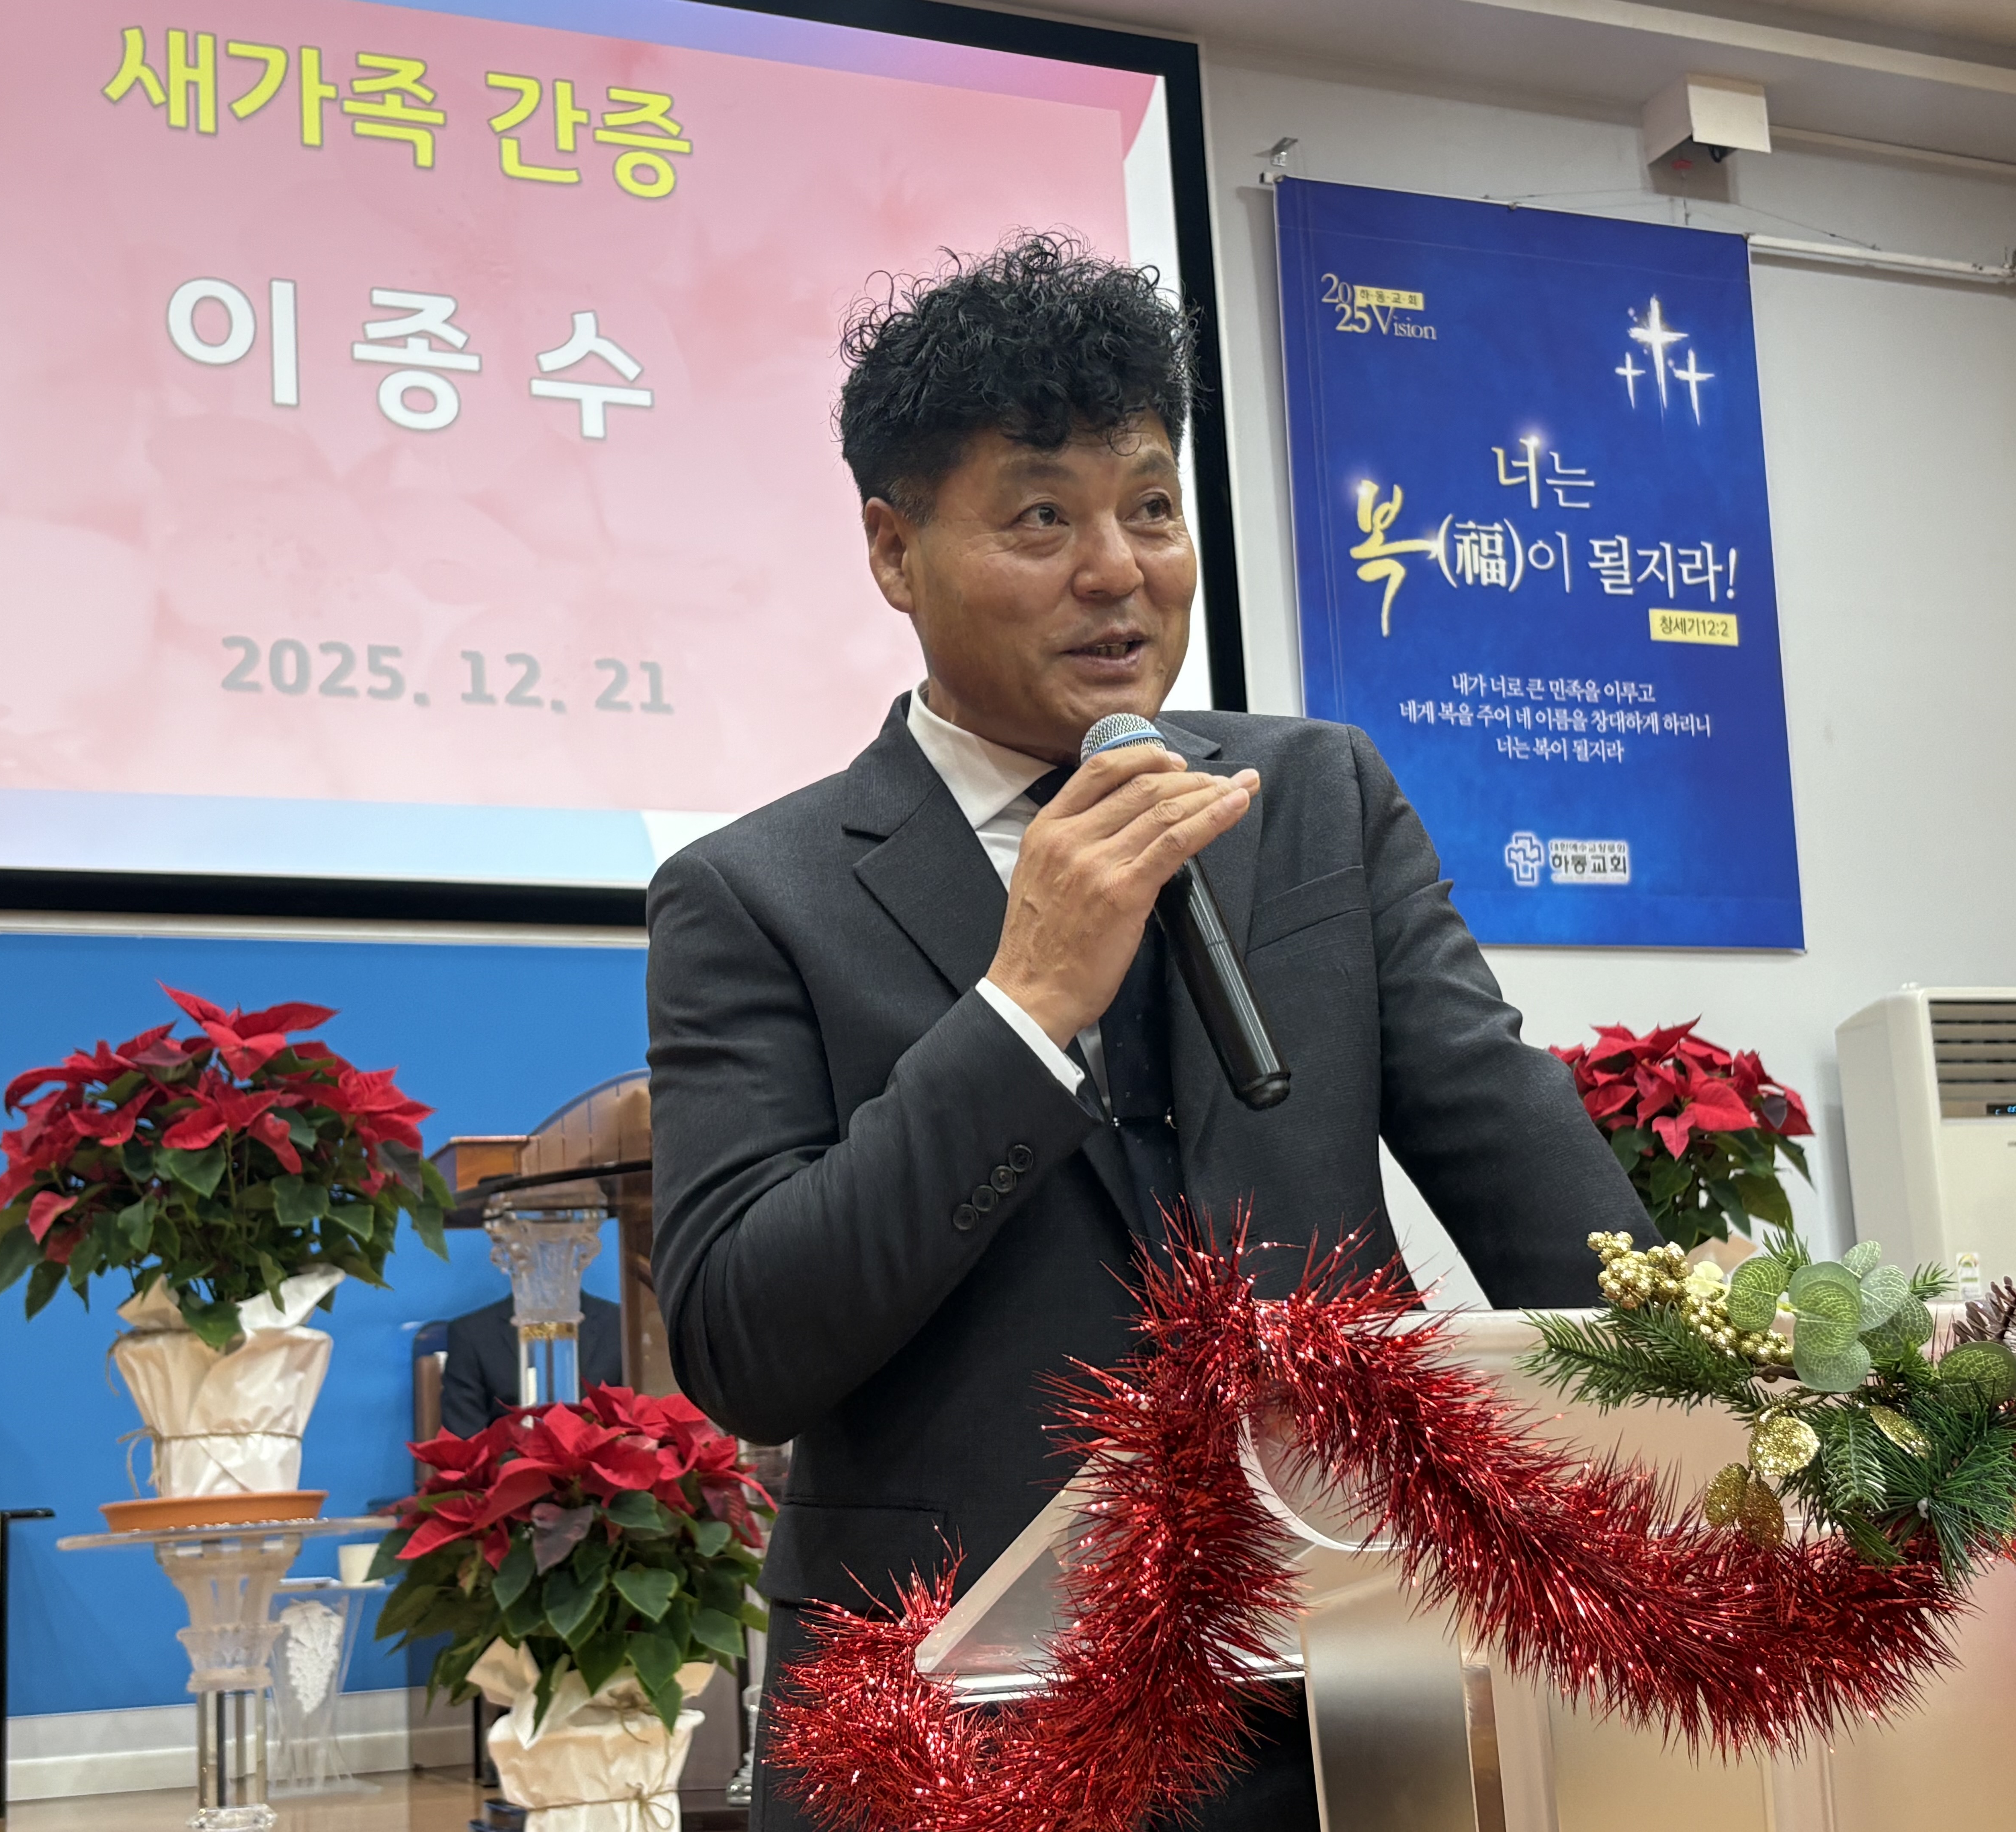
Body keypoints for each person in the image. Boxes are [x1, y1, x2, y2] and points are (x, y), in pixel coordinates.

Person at [644, 234, 1658, 1830]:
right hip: (959, 1726)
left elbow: (1524, 1172)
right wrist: (1023, 1006)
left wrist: (1712, 1388)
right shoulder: (754, 894)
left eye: (1151, 507)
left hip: (1349, 1699)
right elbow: (744, 1345)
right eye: (1040, 517)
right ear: (894, 550)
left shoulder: (1311, 800)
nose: (1116, 569)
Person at [437, 1292, 626, 1438]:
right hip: (509, 1471)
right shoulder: (472, 1334)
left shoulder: (621, 1326)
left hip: (605, 1472)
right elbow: (465, 1443)